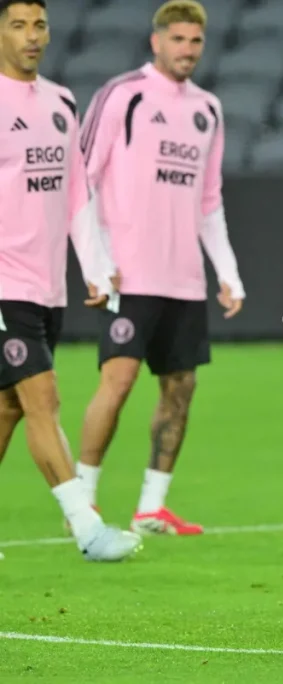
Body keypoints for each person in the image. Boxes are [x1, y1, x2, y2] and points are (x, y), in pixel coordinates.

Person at [72, 0, 245, 535]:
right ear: (156, 41)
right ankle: (81, 501)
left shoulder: (208, 109)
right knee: (118, 381)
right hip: (128, 274)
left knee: (181, 388)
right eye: (178, 39)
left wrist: (227, 272)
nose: (187, 50)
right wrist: (97, 263)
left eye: (195, 41)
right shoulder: (123, 95)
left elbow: (209, 201)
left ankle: (151, 507)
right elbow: (81, 180)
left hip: (184, 281)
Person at [0, 0, 141, 561]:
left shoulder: (60, 101)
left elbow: (77, 192)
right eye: (18, 25)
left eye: (39, 25)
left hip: (47, 285)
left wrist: (96, 266)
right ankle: (87, 527)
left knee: (10, 407)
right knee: (43, 397)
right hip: (4, 283)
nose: (32, 36)